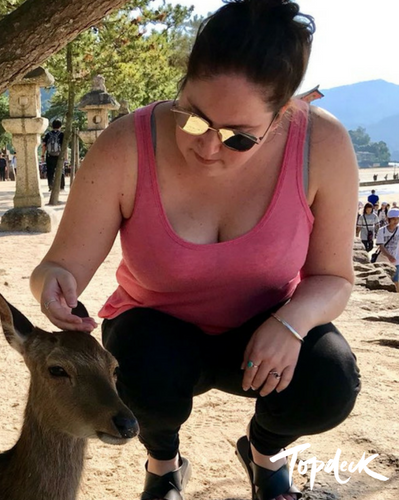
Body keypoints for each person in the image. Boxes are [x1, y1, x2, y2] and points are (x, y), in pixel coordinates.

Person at [30, 2, 360, 500]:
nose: (208, 147)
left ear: (284, 115)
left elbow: (334, 278)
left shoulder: (323, 145)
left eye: (239, 138)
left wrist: (292, 323)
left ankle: (264, 453)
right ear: (181, 86)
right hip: (155, 330)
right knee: (137, 373)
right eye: (192, 119)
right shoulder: (127, 143)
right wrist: (52, 286)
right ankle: (164, 464)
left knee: (331, 381)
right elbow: (60, 264)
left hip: (269, 330)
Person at [376, 207, 399, 292]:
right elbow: (381, 246)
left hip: (396, 260)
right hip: (383, 260)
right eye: (393, 219)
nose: (395, 221)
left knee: (396, 281)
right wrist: (389, 256)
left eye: (397, 219)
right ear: (388, 219)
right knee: (383, 281)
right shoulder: (382, 230)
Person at [42, 119, 65, 191]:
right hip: (59, 156)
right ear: (60, 126)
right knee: (61, 170)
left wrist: (42, 155)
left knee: (50, 171)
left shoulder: (48, 134)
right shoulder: (61, 134)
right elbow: (64, 146)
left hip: (49, 156)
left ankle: (50, 186)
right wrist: (65, 156)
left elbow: (44, 146)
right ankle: (61, 186)